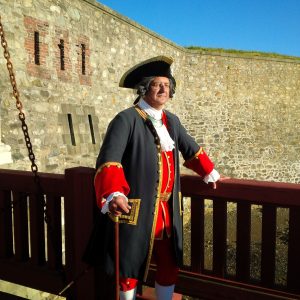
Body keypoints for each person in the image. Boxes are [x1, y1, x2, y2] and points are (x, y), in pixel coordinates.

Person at [93, 56, 221, 300]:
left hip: (168, 208)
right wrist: (114, 192)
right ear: (144, 88)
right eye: (157, 84)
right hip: (137, 209)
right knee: (129, 263)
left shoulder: (171, 121)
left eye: (167, 85)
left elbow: (190, 148)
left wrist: (208, 170)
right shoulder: (127, 119)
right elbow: (109, 160)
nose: (164, 89)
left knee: (169, 261)